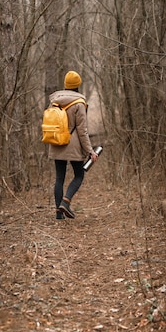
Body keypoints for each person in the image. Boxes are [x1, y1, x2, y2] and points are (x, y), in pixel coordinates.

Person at [48, 70, 98, 220]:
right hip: (73, 144)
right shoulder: (79, 104)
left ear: (65, 84)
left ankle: (59, 214)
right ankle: (66, 201)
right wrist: (90, 151)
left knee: (59, 178)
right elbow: (82, 131)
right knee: (79, 174)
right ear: (78, 85)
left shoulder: (54, 101)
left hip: (57, 142)